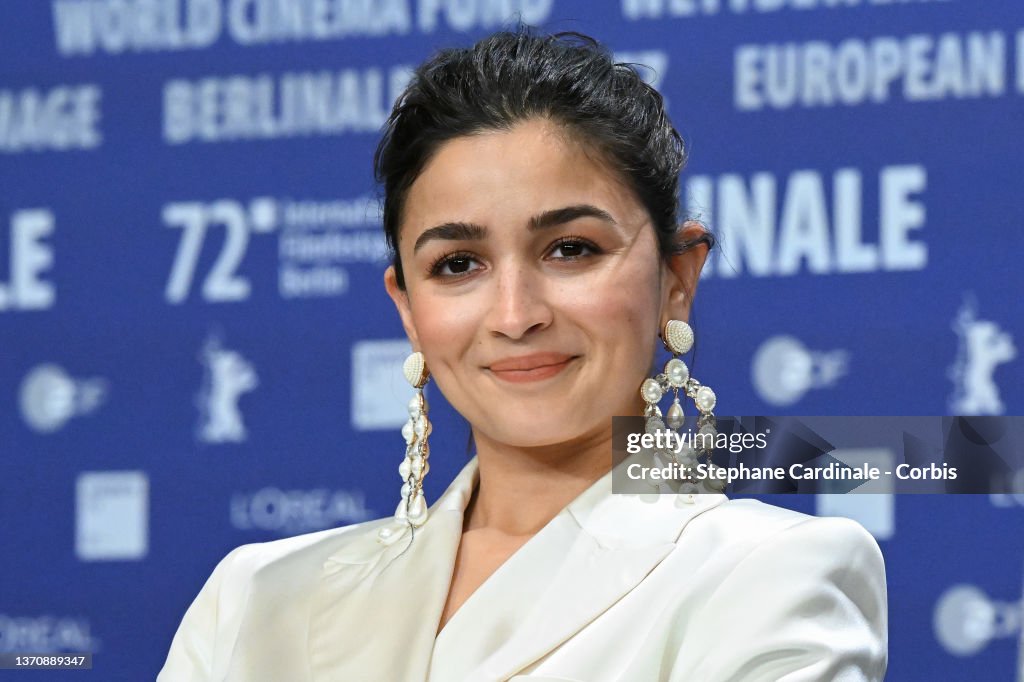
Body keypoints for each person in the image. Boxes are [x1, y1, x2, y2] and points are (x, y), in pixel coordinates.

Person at [157, 28, 887, 682]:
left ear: (676, 279)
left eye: (571, 250)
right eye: (457, 264)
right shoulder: (253, 599)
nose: (515, 315)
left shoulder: (768, 574)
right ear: (407, 307)